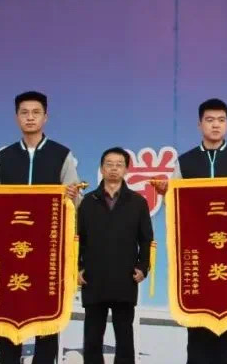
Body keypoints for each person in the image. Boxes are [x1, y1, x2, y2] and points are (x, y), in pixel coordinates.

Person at [0, 91, 82, 364]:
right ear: (17, 117)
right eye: (24, 113)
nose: (30, 118)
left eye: (36, 112)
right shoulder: (4, 157)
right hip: (10, 251)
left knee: (47, 315)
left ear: (45, 117)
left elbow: (76, 201)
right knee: (7, 313)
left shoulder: (61, 155)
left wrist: (72, 196)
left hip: (47, 250)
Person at [155, 98, 227, 364]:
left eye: (221, 120)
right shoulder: (185, 162)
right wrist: (166, 193)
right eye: (210, 120)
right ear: (199, 124)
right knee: (198, 324)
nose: (216, 125)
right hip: (199, 256)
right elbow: (174, 207)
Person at [78, 148, 154, 364]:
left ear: (126, 169)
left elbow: (146, 239)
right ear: (102, 169)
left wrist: (143, 267)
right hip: (93, 278)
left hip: (125, 277)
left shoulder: (137, 202)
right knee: (92, 338)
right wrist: (78, 268)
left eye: (119, 164)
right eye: (109, 164)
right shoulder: (88, 202)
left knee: (125, 338)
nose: (114, 168)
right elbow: (78, 239)